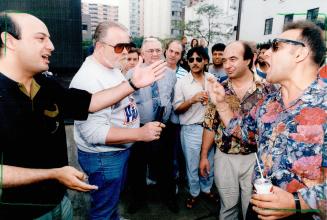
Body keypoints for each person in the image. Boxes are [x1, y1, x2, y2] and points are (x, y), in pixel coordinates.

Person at [0, 12, 166, 219]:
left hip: (59, 202)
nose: (51, 46)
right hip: (21, 212)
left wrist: (133, 84)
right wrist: (53, 174)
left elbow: (90, 103)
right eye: (41, 38)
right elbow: (94, 131)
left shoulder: (45, 83)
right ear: (9, 42)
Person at [207, 20, 326, 220]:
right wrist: (221, 103)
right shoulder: (269, 101)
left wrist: (297, 203)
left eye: (276, 47)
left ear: (300, 53)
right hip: (258, 210)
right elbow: (242, 133)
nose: (265, 53)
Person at [70, 22, 167, 220]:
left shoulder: (109, 66)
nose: (124, 52)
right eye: (118, 47)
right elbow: (93, 132)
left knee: (112, 201)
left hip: (117, 152)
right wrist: (139, 134)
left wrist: (135, 84)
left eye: (128, 45)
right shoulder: (88, 78)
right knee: (102, 210)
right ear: (99, 46)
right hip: (104, 158)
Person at [199, 41, 276, 220]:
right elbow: (210, 124)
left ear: (249, 59)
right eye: (224, 60)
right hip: (225, 157)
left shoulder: (268, 89)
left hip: (255, 159)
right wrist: (203, 156)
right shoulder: (219, 88)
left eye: (233, 59)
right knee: (227, 208)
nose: (226, 65)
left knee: (253, 209)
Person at [127, 37, 178, 214]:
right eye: (150, 51)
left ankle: (168, 197)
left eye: (158, 50)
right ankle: (137, 199)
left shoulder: (170, 74)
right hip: (139, 128)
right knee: (137, 167)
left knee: (165, 165)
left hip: (163, 127)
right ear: (142, 53)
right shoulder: (132, 74)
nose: (155, 54)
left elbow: (170, 97)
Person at [173, 46, 216, 209]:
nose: (195, 62)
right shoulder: (181, 82)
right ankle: (194, 193)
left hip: (209, 128)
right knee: (192, 164)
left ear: (205, 61)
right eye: (191, 60)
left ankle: (206, 189)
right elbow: (177, 108)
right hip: (190, 129)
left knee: (208, 162)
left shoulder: (212, 79)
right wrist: (192, 100)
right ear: (187, 62)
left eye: (199, 59)